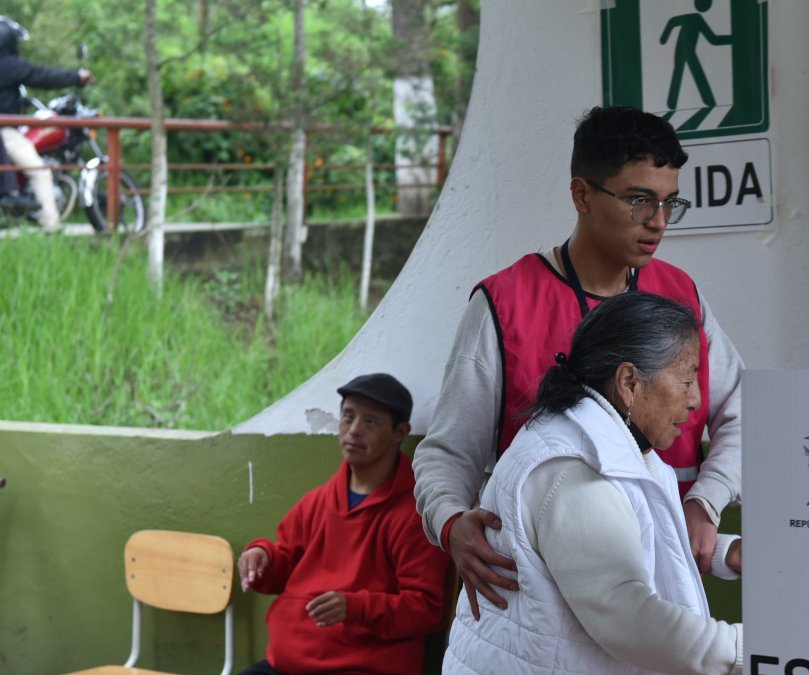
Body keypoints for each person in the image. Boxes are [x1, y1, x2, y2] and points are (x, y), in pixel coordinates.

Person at [413, 105, 744, 619]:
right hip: (539, 594)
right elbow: (447, 454)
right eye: (638, 200)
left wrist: (706, 500)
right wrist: (451, 522)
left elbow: (744, 410)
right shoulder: (505, 304)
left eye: (669, 202)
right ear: (582, 195)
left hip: (659, 588)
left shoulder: (681, 296)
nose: (658, 221)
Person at [443, 292, 743, 674]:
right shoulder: (573, 471)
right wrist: (747, 649)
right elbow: (629, 618)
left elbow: (623, 535)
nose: (696, 400)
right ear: (629, 382)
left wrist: (723, 552)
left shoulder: (605, 442)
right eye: (686, 380)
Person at [238, 373, 450, 675]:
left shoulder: (414, 515)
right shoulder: (318, 501)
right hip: (286, 663)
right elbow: (284, 563)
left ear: (399, 433)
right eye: (348, 417)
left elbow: (425, 609)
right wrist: (262, 557)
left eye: (370, 422)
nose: (353, 430)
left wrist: (356, 608)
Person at [0, 16, 92, 230]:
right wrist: (76, 77)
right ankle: (52, 226)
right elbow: (42, 76)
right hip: (4, 132)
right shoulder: (9, 65)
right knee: (40, 171)